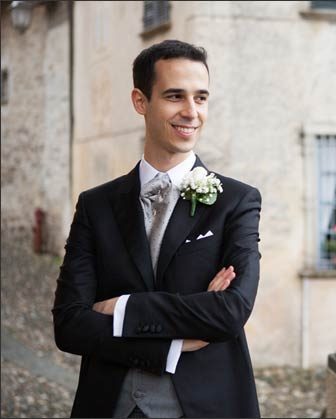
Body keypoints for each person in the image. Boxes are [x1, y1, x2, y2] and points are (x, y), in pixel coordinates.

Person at [52, 40, 261, 418]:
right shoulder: (96, 205)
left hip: (207, 405)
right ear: (140, 101)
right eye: (175, 96)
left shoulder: (237, 201)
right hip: (110, 405)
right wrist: (174, 344)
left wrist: (121, 307)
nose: (191, 112)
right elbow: (69, 325)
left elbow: (230, 311)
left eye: (201, 98)